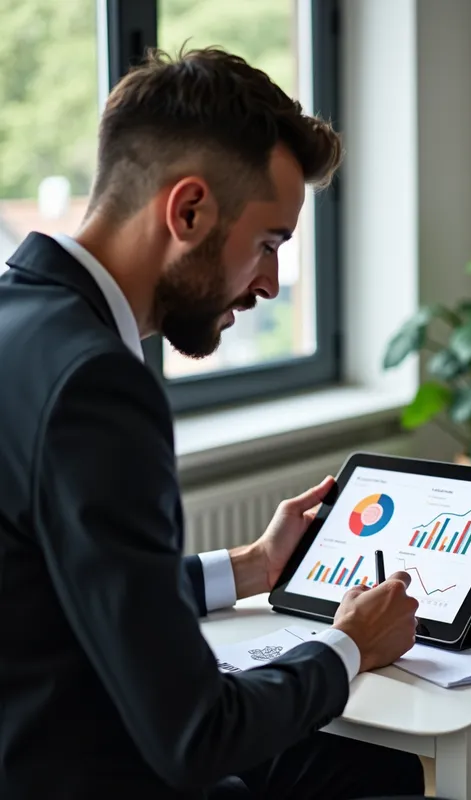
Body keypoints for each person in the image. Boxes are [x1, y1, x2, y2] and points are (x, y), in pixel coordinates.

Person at [0, 47, 429, 800]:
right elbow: (199, 734)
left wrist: (254, 567)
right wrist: (348, 645)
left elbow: (65, 586)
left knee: (365, 767)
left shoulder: (21, 320)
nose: (268, 282)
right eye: (269, 244)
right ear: (189, 210)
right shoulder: (97, 384)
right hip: (74, 768)